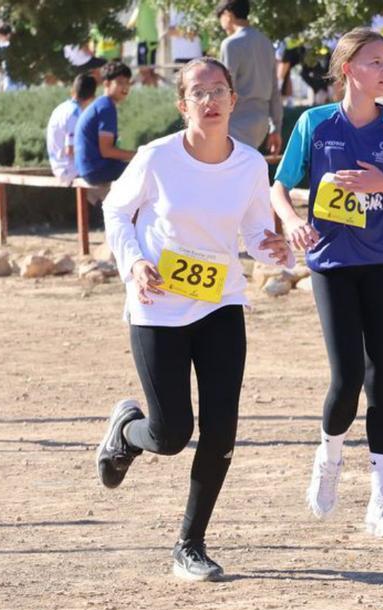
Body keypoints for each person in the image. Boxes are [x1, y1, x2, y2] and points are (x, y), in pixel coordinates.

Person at [94, 57, 293, 581]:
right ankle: (126, 433)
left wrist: (272, 248)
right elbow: (116, 210)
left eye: (219, 91)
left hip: (221, 302)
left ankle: (191, 542)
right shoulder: (157, 158)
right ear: (183, 105)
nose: (210, 101)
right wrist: (134, 261)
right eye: (198, 93)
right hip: (158, 304)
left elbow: (254, 233)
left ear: (233, 100)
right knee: (171, 432)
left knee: (222, 426)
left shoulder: (250, 165)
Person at [270, 28, 383, 537]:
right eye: (374, 62)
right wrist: (293, 221)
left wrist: (382, 184)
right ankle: (329, 456)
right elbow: (280, 184)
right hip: (332, 263)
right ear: (348, 70)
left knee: (379, 374)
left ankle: (381, 496)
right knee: (345, 380)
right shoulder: (316, 124)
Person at [215, 0, 282, 154]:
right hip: (261, 122)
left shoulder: (230, 44)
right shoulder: (266, 42)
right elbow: (274, 90)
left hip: (236, 121)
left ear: (227, 14)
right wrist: (276, 128)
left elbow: (225, 88)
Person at [74, 61, 135, 186]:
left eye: (128, 82)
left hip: (89, 169)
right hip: (96, 170)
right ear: (106, 83)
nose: (125, 87)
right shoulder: (106, 107)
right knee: (147, 169)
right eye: (120, 82)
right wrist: (139, 155)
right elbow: (106, 151)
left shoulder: (101, 104)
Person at [46, 73, 98, 185]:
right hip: (69, 169)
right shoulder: (75, 114)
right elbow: (71, 149)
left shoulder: (61, 108)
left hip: (58, 165)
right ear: (92, 97)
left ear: (73, 90)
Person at [127, 0, 160, 86]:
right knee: (149, 71)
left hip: (145, 41)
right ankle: (152, 92)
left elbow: (130, 24)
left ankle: (150, 93)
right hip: (150, 39)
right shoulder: (152, 3)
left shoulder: (143, 4)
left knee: (145, 70)